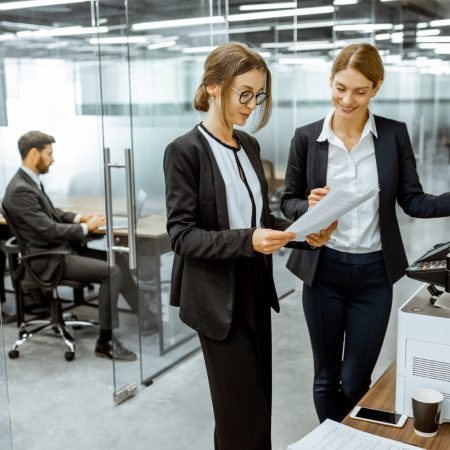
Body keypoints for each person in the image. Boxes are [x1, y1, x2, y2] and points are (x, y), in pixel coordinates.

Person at [164, 42, 336, 450]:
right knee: (242, 416)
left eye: (259, 96)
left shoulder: (249, 146)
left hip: (255, 291)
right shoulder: (185, 151)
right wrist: (249, 240)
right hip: (217, 299)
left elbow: (261, 220)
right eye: (245, 94)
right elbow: (182, 236)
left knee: (254, 407)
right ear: (213, 87)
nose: (252, 105)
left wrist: (304, 232)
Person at [281, 43, 450, 423]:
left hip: (374, 274)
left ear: (376, 88)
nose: (347, 99)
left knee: (356, 380)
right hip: (322, 272)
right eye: (340, 88)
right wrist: (307, 206)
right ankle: (335, 442)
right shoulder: (307, 139)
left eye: (359, 91)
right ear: (330, 81)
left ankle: (352, 436)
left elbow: (413, 200)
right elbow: (286, 201)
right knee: (326, 378)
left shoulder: (393, 135)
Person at [2, 130, 157, 361]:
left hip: (56, 251)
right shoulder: (21, 189)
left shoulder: (27, 181)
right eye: (49, 154)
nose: (53, 159)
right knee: (111, 272)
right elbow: (48, 229)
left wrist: (80, 219)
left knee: (118, 259)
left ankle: (147, 317)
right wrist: (87, 228)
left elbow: (53, 213)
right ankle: (105, 342)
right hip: (47, 259)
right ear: (34, 154)